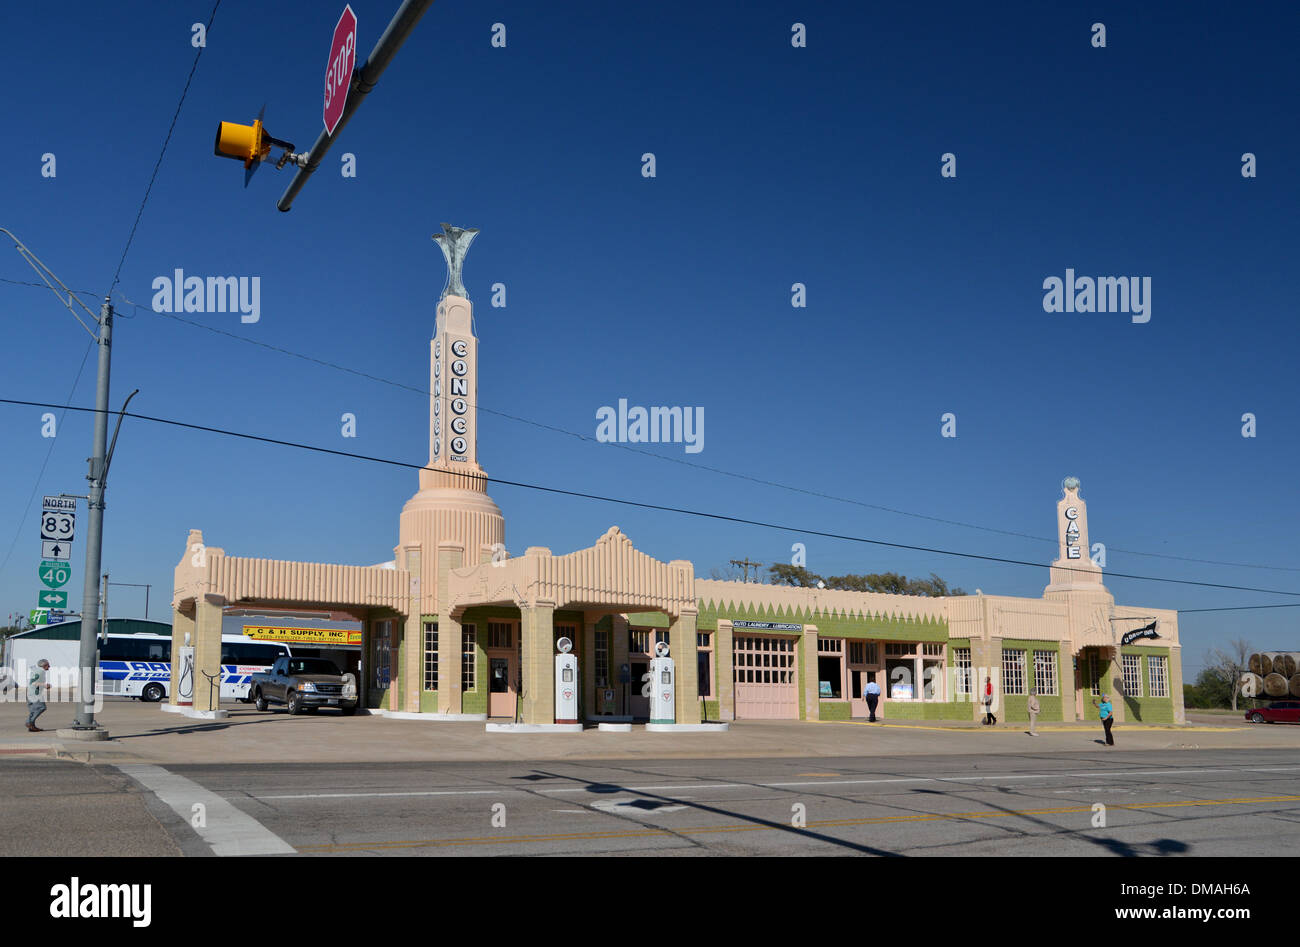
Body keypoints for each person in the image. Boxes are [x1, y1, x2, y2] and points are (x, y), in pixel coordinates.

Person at [26, 659, 51, 732]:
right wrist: (45, 685)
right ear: (44, 665)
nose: (49, 666)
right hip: (35, 694)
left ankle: (31, 727)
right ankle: (29, 722)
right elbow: (33, 682)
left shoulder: (36, 670)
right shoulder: (41, 671)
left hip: (30, 693)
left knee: (33, 710)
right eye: (48, 665)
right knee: (41, 707)